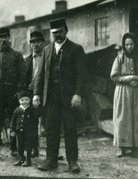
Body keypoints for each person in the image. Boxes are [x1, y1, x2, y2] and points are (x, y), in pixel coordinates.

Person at [33, 18, 87, 173]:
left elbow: (82, 75)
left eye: (59, 32)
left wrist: (78, 94)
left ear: (66, 30)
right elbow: (40, 75)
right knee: (51, 130)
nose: (57, 35)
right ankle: (51, 160)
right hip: (51, 99)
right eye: (54, 33)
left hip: (69, 98)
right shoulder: (46, 50)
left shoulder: (76, 49)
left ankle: (72, 161)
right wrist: (37, 94)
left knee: (70, 130)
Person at [0, 27, 27, 161]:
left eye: (5, 37)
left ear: (9, 38)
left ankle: (15, 149)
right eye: (1, 37)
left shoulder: (17, 55)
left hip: (12, 93)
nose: (3, 40)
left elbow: (22, 75)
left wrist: (19, 91)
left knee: (15, 121)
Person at [110, 32, 138, 158]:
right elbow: (114, 76)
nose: (129, 47)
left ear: (135, 44)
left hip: (137, 91)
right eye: (127, 44)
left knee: (137, 118)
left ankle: (135, 146)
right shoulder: (120, 58)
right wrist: (129, 79)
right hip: (123, 92)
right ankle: (121, 147)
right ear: (124, 45)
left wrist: (135, 78)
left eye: (131, 44)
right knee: (123, 118)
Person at [24, 31, 45, 158]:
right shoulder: (26, 61)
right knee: (31, 123)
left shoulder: (48, 58)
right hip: (31, 95)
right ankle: (34, 148)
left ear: (43, 43)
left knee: (48, 124)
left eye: (38, 42)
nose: (36, 44)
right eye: (33, 42)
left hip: (45, 94)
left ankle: (52, 152)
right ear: (30, 44)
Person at [10, 90, 40, 167]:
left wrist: (37, 108)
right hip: (19, 132)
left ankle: (28, 160)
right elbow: (13, 120)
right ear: (19, 101)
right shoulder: (17, 110)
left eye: (26, 100)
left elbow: (37, 116)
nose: (24, 102)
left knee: (28, 146)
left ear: (30, 100)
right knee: (19, 146)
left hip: (29, 132)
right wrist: (12, 130)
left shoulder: (32, 109)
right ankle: (22, 158)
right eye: (22, 100)